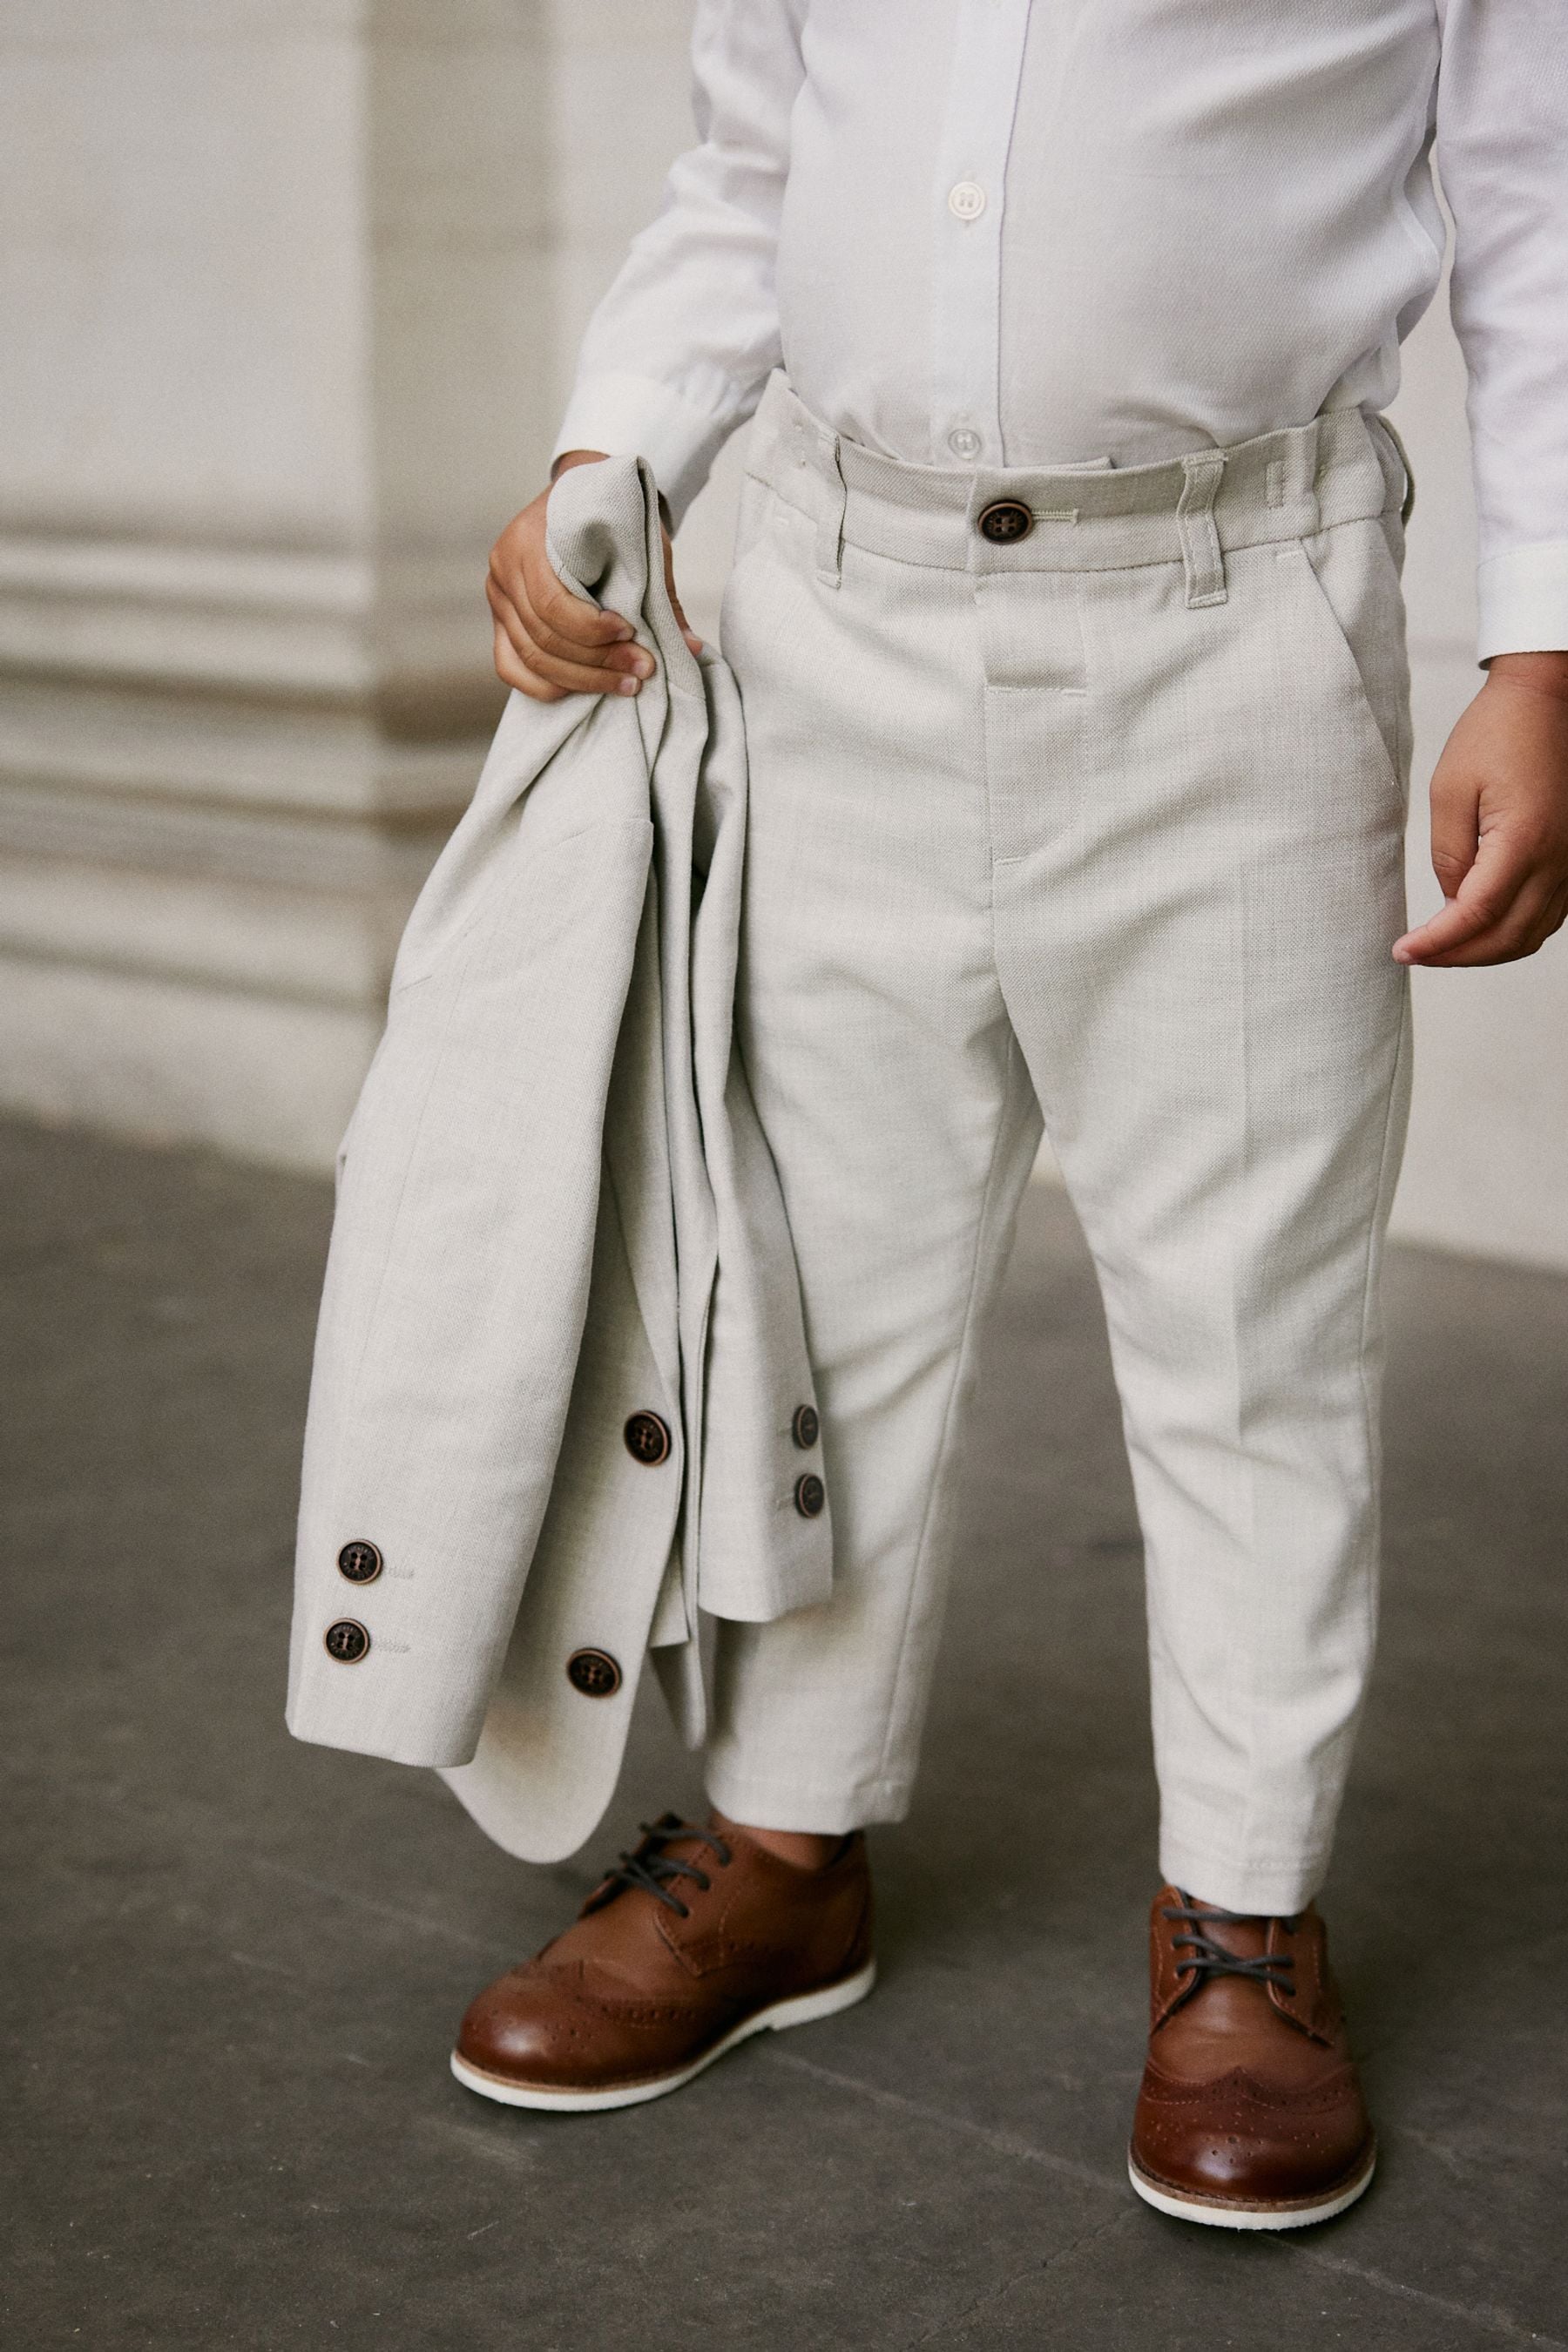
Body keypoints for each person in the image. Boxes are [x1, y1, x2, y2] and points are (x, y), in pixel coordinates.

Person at [454, 2, 1568, 2227]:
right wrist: (612, 451)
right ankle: (782, 1841)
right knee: (815, 1288)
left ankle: (1245, 1921)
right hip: (827, 617)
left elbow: (1540, 210)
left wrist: (1545, 650)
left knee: (1251, 1332)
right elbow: (749, 166)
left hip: (1230, 631)